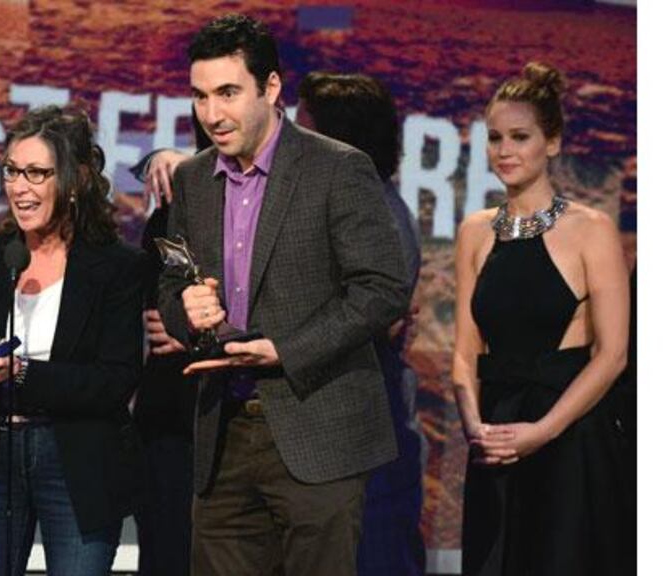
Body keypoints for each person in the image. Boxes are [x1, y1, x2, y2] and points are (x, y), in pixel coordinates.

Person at [157, 14, 411, 576]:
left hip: (316, 430)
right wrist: (184, 309)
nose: (212, 114)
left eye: (228, 93)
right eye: (200, 96)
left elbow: (382, 288)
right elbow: (173, 281)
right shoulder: (195, 182)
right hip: (220, 436)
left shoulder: (338, 168)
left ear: (271, 88)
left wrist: (286, 349)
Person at [0, 105, 144, 576]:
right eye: (11, 171)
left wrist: (22, 373)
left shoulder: (117, 267)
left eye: (36, 173)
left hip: (77, 461)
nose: (19, 188)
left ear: (75, 180)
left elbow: (115, 381)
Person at [452, 62, 634, 576]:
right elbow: (465, 353)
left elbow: (613, 354)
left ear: (551, 143)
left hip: (570, 437)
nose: (504, 150)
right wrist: (475, 428)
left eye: (520, 136)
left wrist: (543, 431)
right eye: (494, 138)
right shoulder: (474, 231)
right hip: (495, 437)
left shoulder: (592, 230)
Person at [297, 72, 427, 576]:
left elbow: (350, 319)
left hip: (371, 431)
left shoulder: (377, 215)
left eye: (303, 131)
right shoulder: (350, 204)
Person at [130, 112, 212, 576]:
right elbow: (152, 294)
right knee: (165, 551)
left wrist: (195, 334)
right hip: (168, 412)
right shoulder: (175, 201)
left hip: (231, 410)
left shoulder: (276, 206)